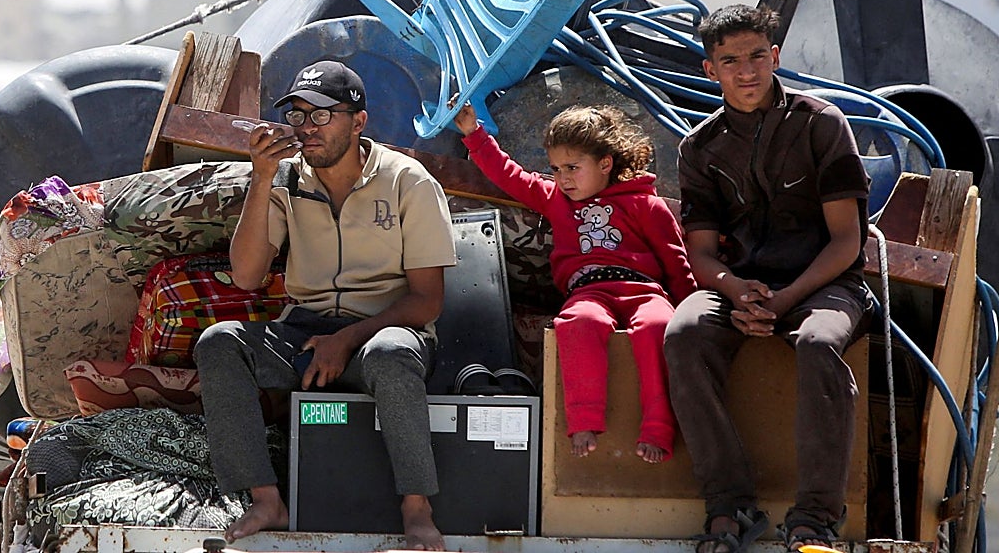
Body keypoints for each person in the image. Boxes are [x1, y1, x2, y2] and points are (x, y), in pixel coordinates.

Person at [193, 60, 458, 551]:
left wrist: (347, 339)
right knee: (220, 342)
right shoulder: (287, 179)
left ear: (358, 122)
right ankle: (265, 498)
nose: (306, 129)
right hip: (305, 334)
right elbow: (248, 275)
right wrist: (261, 178)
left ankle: (417, 509)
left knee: (392, 356)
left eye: (320, 116)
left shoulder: (408, 181)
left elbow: (427, 300)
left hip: (384, 331)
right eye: (297, 116)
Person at [664, 4, 873, 553]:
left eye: (758, 55)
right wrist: (734, 290)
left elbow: (846, 241)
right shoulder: (699, 148)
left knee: (820, 341)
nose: (747, 71)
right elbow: (701, 254)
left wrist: (783, 301)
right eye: (730, 60)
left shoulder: (821, 124)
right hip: (742, 287)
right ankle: (729, 505)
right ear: (710, 70)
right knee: (684, 332)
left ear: (775, 55)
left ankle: (815, 518)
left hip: (823, 285)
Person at [453, 99, 696, 463]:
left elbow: (676, 263)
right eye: (555, 168)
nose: (563, 177)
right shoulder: (555, 197)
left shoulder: (648, 205)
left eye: (572, 167)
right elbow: (509, 175)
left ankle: (659, 427)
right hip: (589, 291)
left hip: (643, 290)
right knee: (579, 322)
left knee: (658, 326)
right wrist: (474, 134)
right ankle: (583, 420)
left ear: (605, 163)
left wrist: (691, 311)